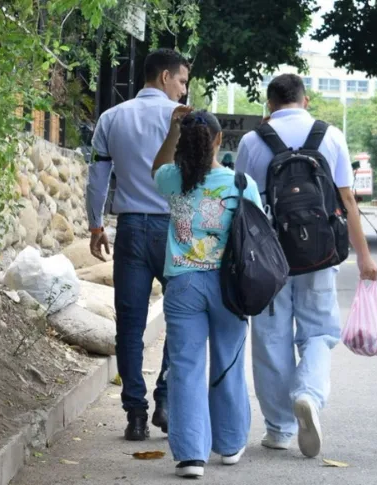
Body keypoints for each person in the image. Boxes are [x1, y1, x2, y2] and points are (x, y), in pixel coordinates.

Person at [234, 74, 377, 458]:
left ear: (269, 103)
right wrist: (364, 255)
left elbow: (242, 202)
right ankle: (308, 394)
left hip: (267, 257)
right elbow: (347, 200)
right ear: (306, 99)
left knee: (270, 339)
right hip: (319, 252)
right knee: (319, 331)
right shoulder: (330, 136)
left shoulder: (252, 141)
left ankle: (279, 429)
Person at [151, 106, 260, 478]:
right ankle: (229, 444)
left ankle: (190, 455)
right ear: (218, 140)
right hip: (229, 285)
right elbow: (257, 237)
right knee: (228, 359)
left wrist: (171, 132)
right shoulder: (240, 184)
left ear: (185, 141)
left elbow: (157, 166)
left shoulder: (171, 179)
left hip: (182, 283)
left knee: (185, 366)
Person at [86, 48, 189, 441]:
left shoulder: (112, 117)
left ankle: (135, 413)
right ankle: (164, 398)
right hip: (174, 232)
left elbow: (97, 178)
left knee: (129, 326)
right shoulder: (184, 119)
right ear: (164, 77)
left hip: (129, 230)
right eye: (181, 80)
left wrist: (96, 226)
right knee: (181, 319)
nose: (183, 90)